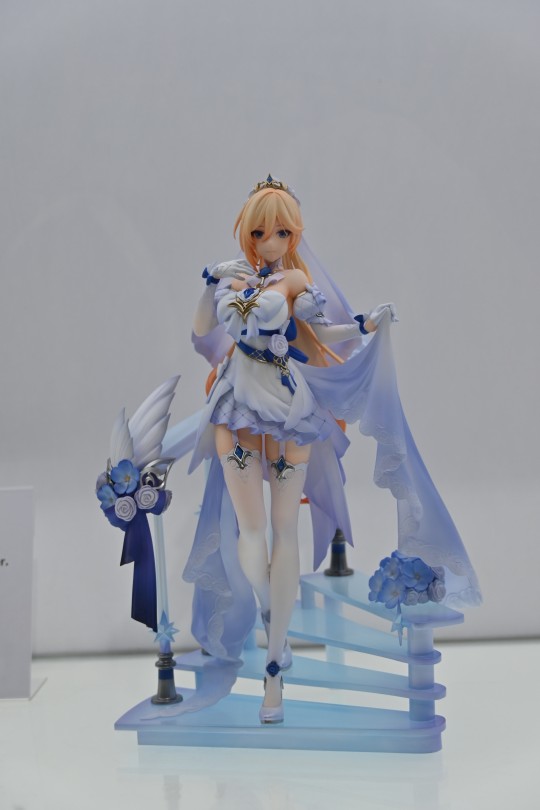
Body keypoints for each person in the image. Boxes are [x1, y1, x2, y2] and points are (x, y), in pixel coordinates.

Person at [174, 175, 481, 725]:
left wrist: (366, 324)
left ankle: (274, 667)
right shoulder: (233, 276)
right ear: (247, 233)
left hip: (286, 405)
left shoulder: (294, 280)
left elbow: (322, 335)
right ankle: (273, 621)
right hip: (234, 405)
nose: (270, 241)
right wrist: (209, 282)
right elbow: (200, 328)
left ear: (293, 234)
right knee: (251, 533)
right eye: (260, 232)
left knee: (283, 528)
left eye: (280, 231)